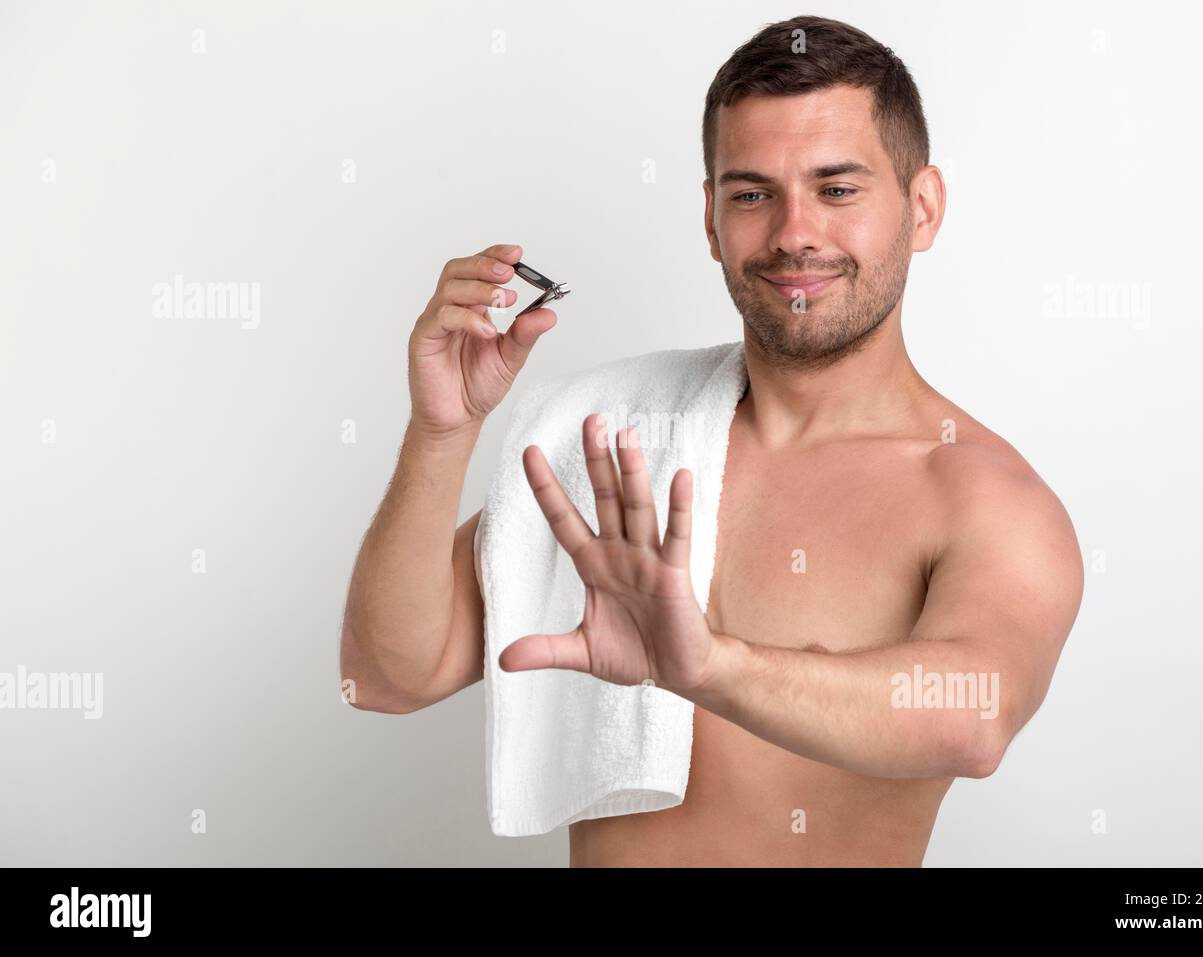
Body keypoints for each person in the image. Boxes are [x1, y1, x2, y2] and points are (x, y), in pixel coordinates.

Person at [340, 14, 1084, 866]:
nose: (793, 232)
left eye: (837, 189)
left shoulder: (982, 496)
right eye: (752, 193)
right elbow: (386, 673)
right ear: (709, 218)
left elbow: (974, 715)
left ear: (922, 208)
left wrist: (707, 666)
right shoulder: (621, 444)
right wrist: (443, 432)